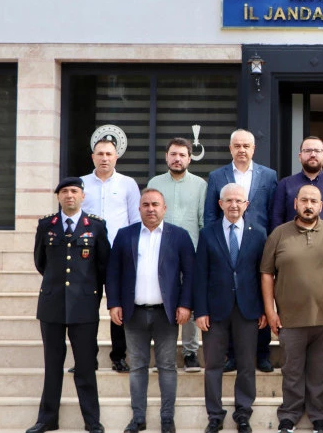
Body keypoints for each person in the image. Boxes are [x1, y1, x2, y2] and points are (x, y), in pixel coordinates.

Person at [106, 189, 195, 433]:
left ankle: (167, 417)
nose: (151, 208)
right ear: (139, 208)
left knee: (167, 366)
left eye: (156, 204)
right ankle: (138, 418)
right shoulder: (125, 236)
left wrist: (186, 305)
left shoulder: (179, 236)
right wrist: (114, 303)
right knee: (137, 366)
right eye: (146, 204)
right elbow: (112, 273)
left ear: (164, 208)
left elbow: (190, 275)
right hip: (133, 313)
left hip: (165, 314)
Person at [261, 185, 323, 433]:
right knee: (292, 371)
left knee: (322, 372)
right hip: (290, 319)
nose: (309, 205)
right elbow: (267, 274)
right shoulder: (278, 234)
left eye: (314, 201)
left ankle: (320, 417)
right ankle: (289, 415)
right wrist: (270, 311)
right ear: (296, 203)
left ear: (321, 206)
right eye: (304, 200)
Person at [26, 177, 109, 433]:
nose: (69, 195)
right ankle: (47, 419)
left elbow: (102, 265)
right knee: (52, 364)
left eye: (74, 191)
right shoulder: (46, 225)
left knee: (85, 366)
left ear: (83, 196)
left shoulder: (95, 226)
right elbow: (41, 262)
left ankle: (92, 421)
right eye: (64, 192)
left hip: (84, 305)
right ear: (58, 197)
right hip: (52, 304)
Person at [194, 183, 268, 433]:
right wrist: (200, 310)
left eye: (239, 200)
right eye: (229, 200)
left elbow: (263, 275)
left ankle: (243, 414)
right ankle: (215, 415)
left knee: (247, 364)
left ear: (246, 204)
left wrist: (264, 310)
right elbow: (200, 274)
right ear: (220, 204)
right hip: (215, 311)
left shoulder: (258, 233)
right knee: (213, 364)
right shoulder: (208, 233)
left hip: (248, 310)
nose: (234, 205)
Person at [204, 128, 277, 373]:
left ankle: (263, 352)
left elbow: (273, 213)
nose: (242, 150)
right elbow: (210, 214)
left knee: (260, 294)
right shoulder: (217, 176)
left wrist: (274, 244)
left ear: (254, 149)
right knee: (233, 298)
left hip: (260, 245)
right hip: (228, 244)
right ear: (231, 148)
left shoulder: (268, 176)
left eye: (247, 146)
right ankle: (233, 355)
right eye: (237, 146)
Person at [147, 137, 207, 372]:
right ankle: (165, 351)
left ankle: (191, 352)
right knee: (161, 302)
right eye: (173, 154)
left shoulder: (200, 185)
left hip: (191, 253)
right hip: (160, 253)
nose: (177, 158)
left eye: (182, 155)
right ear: (166, 157)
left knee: (188, 303)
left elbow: (203, 221)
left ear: (189, 158)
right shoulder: (155, 183)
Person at [81, 138, 141, 373]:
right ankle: (88, 358)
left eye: (109, 154)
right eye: (100, 154)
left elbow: (135, 221)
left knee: (120, 307)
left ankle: (119, 356)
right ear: (93, 157)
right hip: (88, 255)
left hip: (119, 254)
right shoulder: (82, 184)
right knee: (87, 309)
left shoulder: (128, 184)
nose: (105, 158)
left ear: (116, 157)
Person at [272, 135, 323, 233]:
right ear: (300, 156)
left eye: (317, 151)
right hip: (292, 244)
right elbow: (276, 219)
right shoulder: (285, 184)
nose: (313, 154)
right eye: (308, 151)